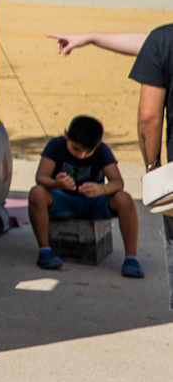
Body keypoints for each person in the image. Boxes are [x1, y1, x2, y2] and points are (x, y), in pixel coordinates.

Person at [30, 114, 143, 277]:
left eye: (88, 151)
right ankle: (45, 250)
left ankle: (131, 258)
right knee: (36, 193)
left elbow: (118, 182)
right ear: (66, 135)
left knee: (124, 199)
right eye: (75, 149)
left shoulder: (102, 150)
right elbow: (41, 177)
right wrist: (56, 184)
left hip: (93, 202)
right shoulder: (55, 145)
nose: (81, 155)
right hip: (63, 200)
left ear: (97, 145)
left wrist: (101, 189)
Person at [51, 26, 170, 181]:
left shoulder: (163, 40)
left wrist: (153, 169)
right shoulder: (161, 42)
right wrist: (90, 38)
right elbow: (153, 44)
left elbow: (148, 117)